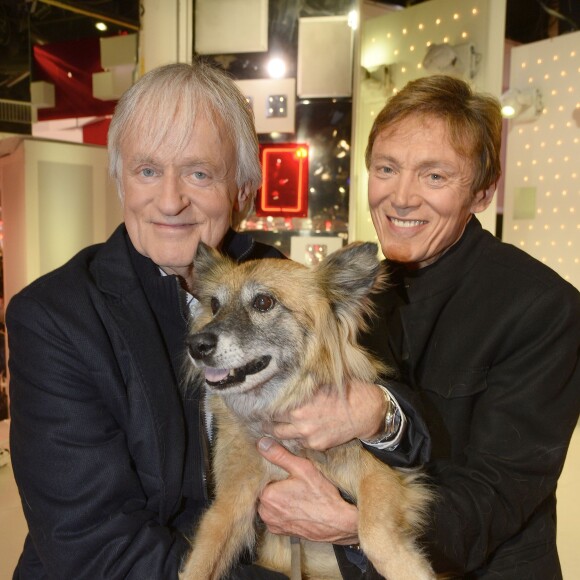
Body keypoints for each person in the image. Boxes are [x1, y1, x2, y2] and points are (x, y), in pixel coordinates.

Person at [256, 75, 580, 579]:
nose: (402, 197)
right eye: (387, 169)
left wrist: (358, 524)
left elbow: (500, 492)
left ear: (482, 192)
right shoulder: (353, 291)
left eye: (435, 176)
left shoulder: (543, 306)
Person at [7, 60, 292, 579]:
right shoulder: (54, 319)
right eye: (148, 171)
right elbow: (95, 546)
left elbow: (363, 387)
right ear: (121, 182)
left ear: (243, 190)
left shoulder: (279, 285)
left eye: (199, 173)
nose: (170, 200)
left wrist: (379, 415)